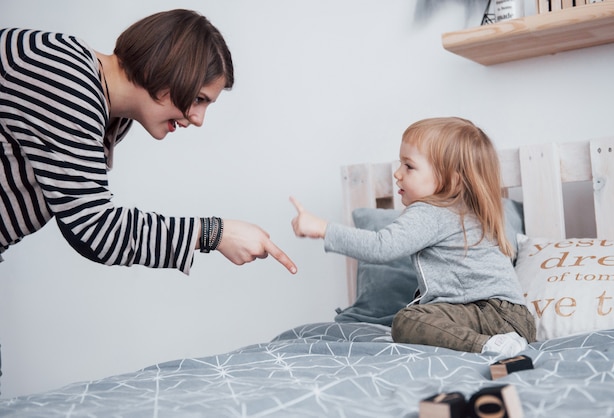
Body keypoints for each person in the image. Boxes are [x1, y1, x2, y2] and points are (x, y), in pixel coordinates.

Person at [0, 9, 296, 275]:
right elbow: (95, 230)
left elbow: (84, 222)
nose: (198, 119)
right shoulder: (64, 76)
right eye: (198, 99)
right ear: (164, 68)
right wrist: (213, 234)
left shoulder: (112, 116)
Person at [290, 117, 535, 357]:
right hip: (513, 318)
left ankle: (487, 346)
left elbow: (381, 247)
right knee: (418, 314)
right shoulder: (462, 211)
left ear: (451, 179)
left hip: (492, 315)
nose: (397, 173)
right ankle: (494, 341)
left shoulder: (432, 211)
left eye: (409, 166)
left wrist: (323, 228)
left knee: (407, 320)